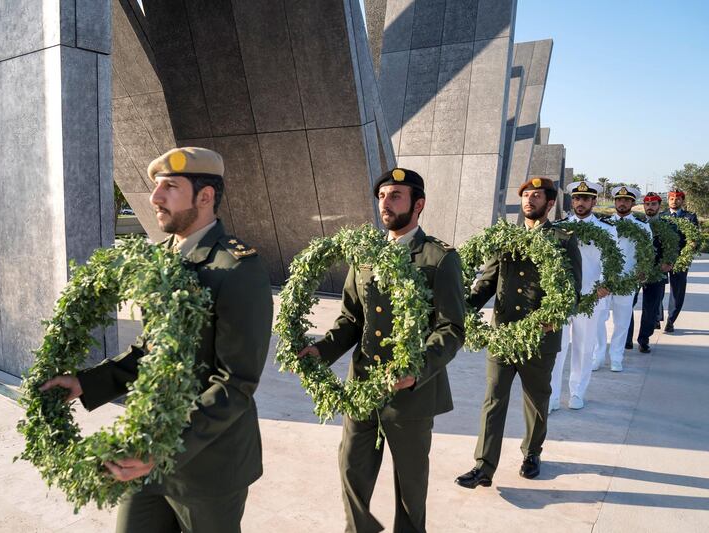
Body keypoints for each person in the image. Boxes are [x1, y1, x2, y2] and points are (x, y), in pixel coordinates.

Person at [40, 147, 273, 533]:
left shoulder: (236, 269)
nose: (154, 197)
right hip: (147, 457)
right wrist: (86, 382)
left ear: (205, 196)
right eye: (155, 187)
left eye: (169, 186)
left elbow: (236, 382)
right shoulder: (160, 260)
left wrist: (163, 448)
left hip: (209, 467)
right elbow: (149, 352)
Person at [299, 168, 466, 533]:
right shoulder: (365, 255)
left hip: (412, 393)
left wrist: (417, 370)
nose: (385, 204)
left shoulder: (438, 258)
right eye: (382, 196)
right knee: (351, 469)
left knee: (409, 487)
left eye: (395, 196)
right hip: (362, 387)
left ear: (418, 205)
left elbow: (451, 329)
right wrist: (322, 351)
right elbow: (351, 318)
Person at [455, 177, 581, 488]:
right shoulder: (505, 239)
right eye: (526, 195)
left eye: (537, 196)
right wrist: (459, 307)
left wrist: (553, 317)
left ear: (549, 203)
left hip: (540, 337)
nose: (529, 200)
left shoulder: (564, 240)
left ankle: (532, 453)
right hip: (502, 335)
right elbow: (485, 283)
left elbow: (572, 292)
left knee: (536, 400)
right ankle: (484, 466)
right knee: (493, 399)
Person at [550, 181, 617, 410]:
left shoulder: (607, 230)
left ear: (594, 201)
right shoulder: (558, 227)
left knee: (583, 347)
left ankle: (577, 392)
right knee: (556, 348)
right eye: (577, 199)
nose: (580, 203)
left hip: (591, 295)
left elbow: (612, 262)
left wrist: (606, 285)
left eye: (585, 199)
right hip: (562, 296)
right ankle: (552, 395)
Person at [592, 186, 652, 372]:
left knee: (622, 321)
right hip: (603, 279)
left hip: (627, 279)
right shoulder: (603, 224)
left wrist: (642, 271)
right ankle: (598, 355)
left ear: (633, 203)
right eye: (619, 200)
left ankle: (616, 356)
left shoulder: (642, 227)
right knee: (598, 318)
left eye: (627, 200)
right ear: (615, 202)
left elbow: (647, 254)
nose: (622, 203)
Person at [636, 192, 673, 353]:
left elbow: (677, 243)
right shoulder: (636, 223)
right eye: (647, 204)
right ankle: (626, 340)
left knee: (650, 308)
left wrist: (669, 261)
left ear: (659, 206)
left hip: (657, 272)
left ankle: (644, 339)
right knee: (627, 304)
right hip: (636, 272)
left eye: (653, 204)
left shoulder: (668, 225)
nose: (649, 207)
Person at [661, 189, 700, 333]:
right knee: (655, 289)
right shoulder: (662, 216)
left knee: (677, 292)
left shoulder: (690, 217)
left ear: (682, 201)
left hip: (680, 260)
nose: (674, 201)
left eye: (678, 198)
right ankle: (656, 317)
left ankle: (671, 320)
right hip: (663, 259)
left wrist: (693, 244)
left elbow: (694, 237)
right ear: (668, 200)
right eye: (671, 198)